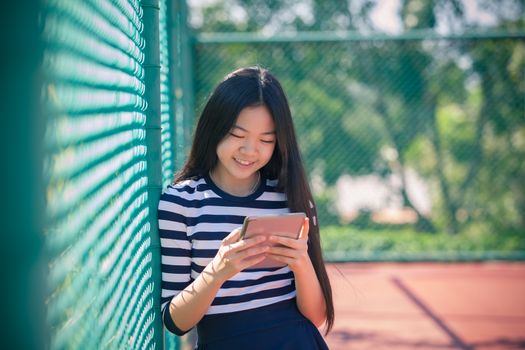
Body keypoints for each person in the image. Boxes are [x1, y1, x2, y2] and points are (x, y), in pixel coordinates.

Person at [158, 66, 334, 349]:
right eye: (237, 135)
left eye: (266, 139)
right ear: (213, 128)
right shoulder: (181, 203)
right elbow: (176, 321)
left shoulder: (292, 199)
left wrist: (301, 263)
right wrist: (217, 271)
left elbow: (315, 316)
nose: (250, 150)